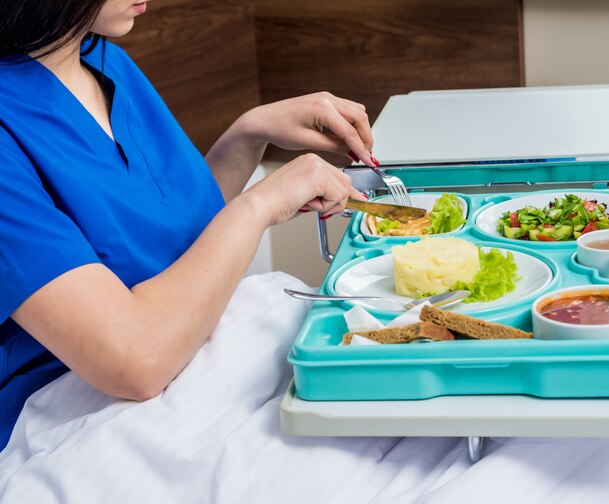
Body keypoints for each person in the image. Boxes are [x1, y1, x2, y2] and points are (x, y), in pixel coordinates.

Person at [0, 0, 376, 449]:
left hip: (205, 369)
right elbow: (136, 361)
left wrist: (249, 134)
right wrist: (259, 205)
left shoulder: (102, 59)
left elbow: (180, 245)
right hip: (81, 421)